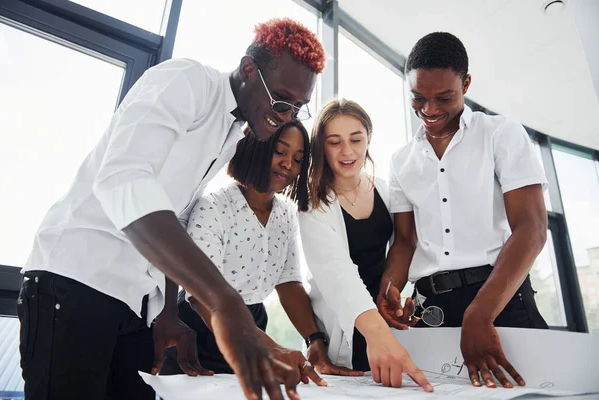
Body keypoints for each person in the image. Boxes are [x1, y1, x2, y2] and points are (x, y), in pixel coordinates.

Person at [18, 18, 325, 400]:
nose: (286, 116)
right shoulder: (187, 81)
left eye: (298, 108)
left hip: (132, 302)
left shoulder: (229, 135)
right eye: (281, 100)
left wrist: (163, 309)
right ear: (248, 70)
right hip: (75, 277)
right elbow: (124, 180)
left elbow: (171, 216)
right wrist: (224, 300)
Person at [378, 32, 549, 389]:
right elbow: (406, 240)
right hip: (432, 311)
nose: (430, 110)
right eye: (418, 98)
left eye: (444, 97)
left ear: (466, 83)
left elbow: (531, 229)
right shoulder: (401, 161)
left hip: (499, 301)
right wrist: (390, 289)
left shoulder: (500, 133)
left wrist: (480, 313)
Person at [160, 121, 361, 384]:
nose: (288, 164)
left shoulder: (286, 215)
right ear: (256, 146)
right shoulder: (213, 207)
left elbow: (288, 283)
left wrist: (315, 341)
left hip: (253, 322)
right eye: (280, 151)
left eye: (298, 159)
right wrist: (274, 348)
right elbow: (201, 296)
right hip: (202, 328)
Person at [298, 98, 433, 392]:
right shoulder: (314, 205)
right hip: (346, 332)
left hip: (384, 324)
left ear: (369, 138)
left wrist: (395, 296)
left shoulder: (384, 189)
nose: (347, 151)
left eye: (356, 139)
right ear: (322, 147)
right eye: (334, 142)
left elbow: (406, 247)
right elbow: (337, 273)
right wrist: (376, 332)